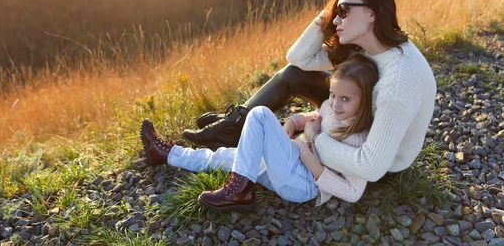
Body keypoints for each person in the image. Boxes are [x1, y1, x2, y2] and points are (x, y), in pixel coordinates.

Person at [183, 0, 437, 182]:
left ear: (373, 13)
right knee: (294, 74)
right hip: (359, 113)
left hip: (377, 158)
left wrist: (313, 139)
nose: (336, 19)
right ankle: (234, 126)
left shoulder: (399, 81)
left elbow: (371, 167)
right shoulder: (367, 46)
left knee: (281, 147)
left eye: (344, 10)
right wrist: (329, 13)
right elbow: (298, 59)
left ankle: (229, 145)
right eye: (336, 11)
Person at [140, 54, 379, 211]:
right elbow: (313, 117)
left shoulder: (358, 137)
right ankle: (168, 154)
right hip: (288, 164)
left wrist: (311, 160)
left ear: (365, 102)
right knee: (225, 157)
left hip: (303, 183)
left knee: (260, 115)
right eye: (333, 95)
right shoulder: (331, 108)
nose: (335, 104)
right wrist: (292, 122)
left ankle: (239, 191)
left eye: (346, 99)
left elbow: (353, 191)